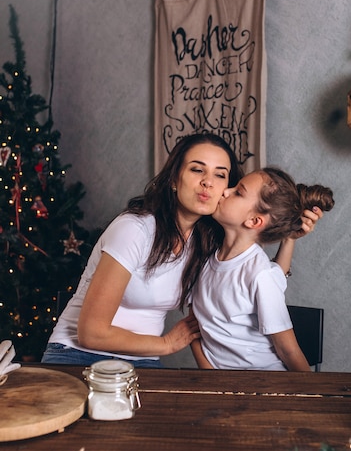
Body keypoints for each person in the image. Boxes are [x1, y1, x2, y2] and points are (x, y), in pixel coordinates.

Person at [42, 133, 243, 368]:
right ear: (174, 179)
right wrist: (167, 343)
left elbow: (252, 284)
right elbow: (90, 333)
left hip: (141, 362)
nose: (208, 182)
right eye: (197, 170)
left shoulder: (205, 243)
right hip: (77, 354)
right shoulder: (135, 229)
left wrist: (218, 383)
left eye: (220, 175)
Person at [190, 167, 334, 371]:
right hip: (220, 387)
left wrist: (314, 398)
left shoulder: (260, 274)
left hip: (264, 384)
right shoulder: (205, 258)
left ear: (254, 221)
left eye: (238, 192)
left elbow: (288, 351)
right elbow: (194, 326)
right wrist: (211, 378)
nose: (225, 191)